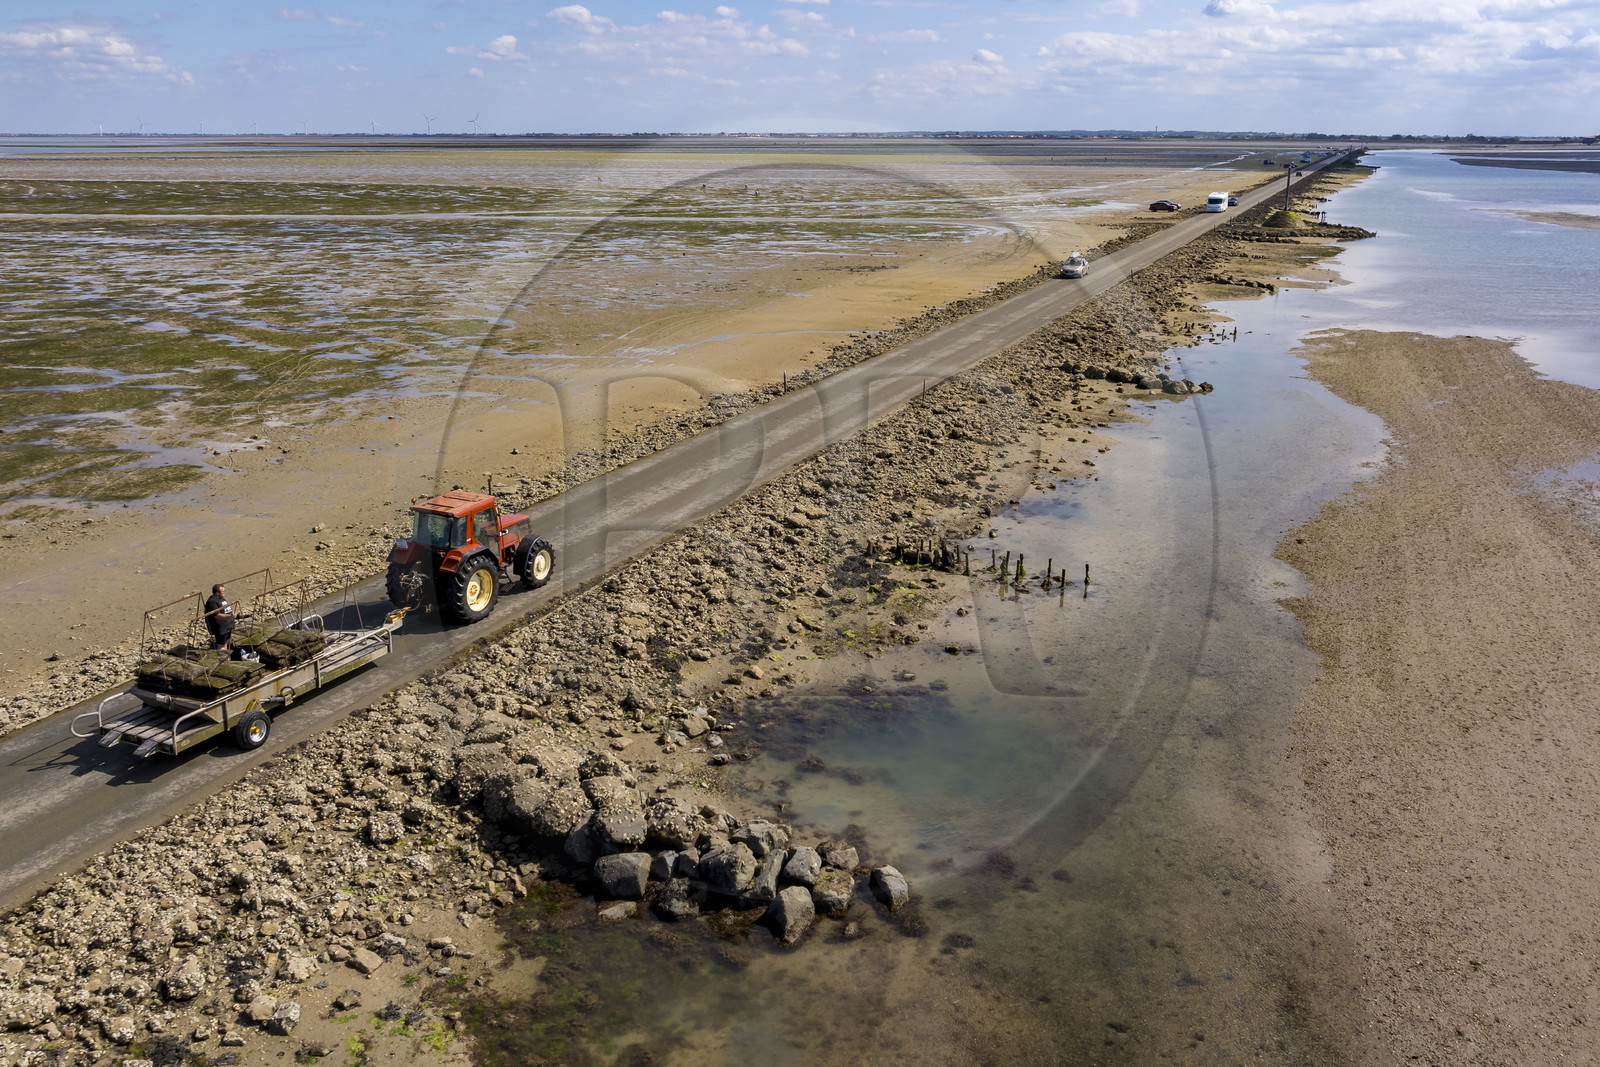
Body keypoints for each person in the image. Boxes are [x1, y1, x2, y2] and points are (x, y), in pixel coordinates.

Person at [204, 584, 235, 651]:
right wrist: (229, 616)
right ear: (217, 593)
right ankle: (221, 658)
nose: (224, 593)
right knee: (221, 645)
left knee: (225, 643)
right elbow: (217, 615)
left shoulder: (221, 598)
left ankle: (226, 657)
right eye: (222, 591)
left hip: (227, 626)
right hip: (220, 628)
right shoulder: (212, 602)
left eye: (224, 591)